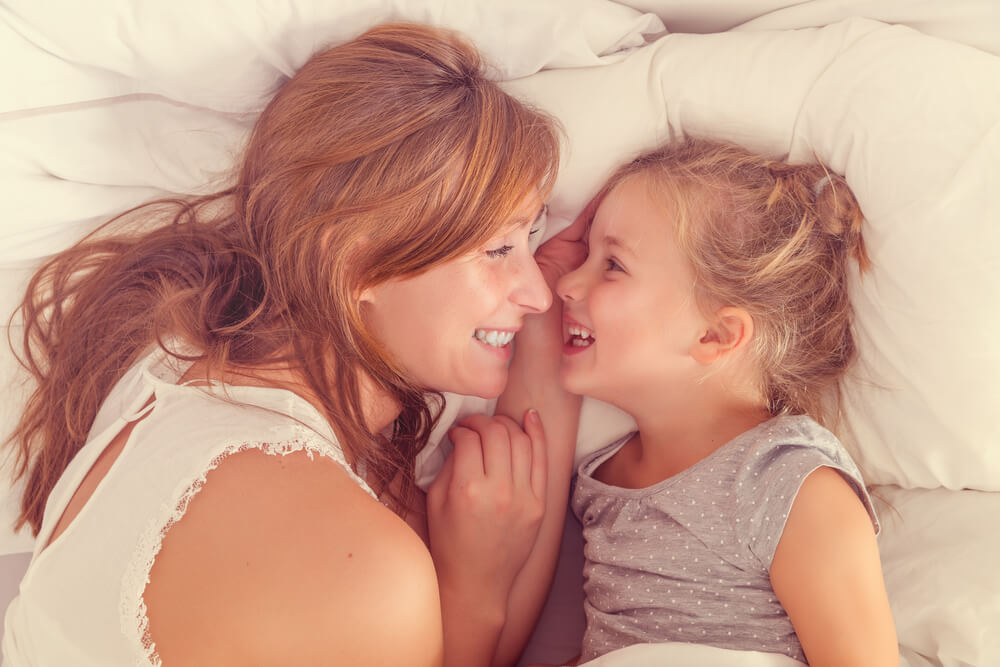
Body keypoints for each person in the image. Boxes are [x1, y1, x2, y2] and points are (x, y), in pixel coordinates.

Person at [2, 23, 580, 667]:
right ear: (358, 264)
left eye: (532, 236)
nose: (537, 294)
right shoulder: (356, 567)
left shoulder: (171, 359)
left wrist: (554, 350)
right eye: (499, 248)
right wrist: (478, 591)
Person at [532, 138, 899, 666]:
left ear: (715, 336)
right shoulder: (600, 478)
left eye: (611, 265)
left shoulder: (787, 483)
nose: (567, 283)